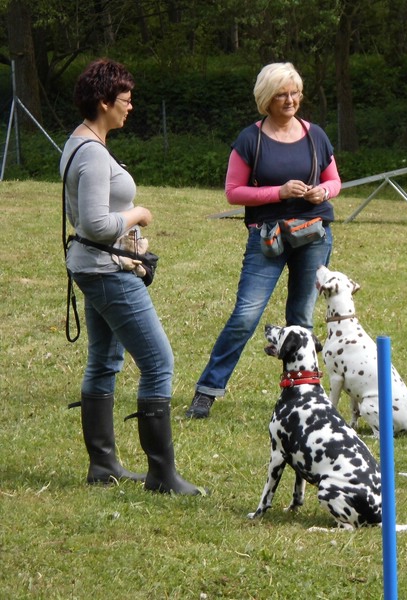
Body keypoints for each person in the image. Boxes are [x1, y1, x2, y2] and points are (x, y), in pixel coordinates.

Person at [61, 58, 203, 495]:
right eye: (125, 100)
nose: (131, 107)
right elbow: (96, 225)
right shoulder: (92, 155)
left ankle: (103, 465)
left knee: (104, 361)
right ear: (104, 102)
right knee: (159, 363)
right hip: (106, 270)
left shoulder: (79, 143)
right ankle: (162, 475)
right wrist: (138, 213)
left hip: (92, 268)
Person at [185, 62, 341, 419]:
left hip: (314, 233)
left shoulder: (315, 134)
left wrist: (323, 190)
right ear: (266, 100)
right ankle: (207, 391)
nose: (290, 100)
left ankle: (302, 395)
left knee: (301, 318)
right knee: (245, 315)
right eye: (282, 94)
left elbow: (335, 181)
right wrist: (278, 192)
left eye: (295, 93)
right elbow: (233, 192)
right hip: (267, 239)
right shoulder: (250, 139)